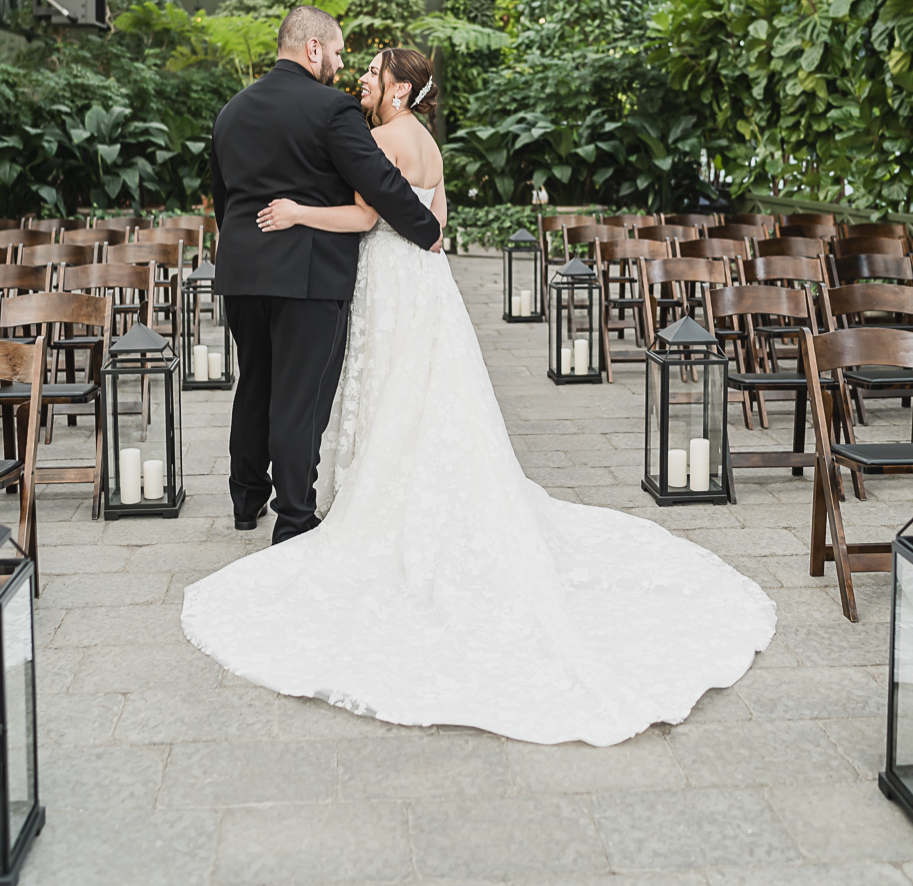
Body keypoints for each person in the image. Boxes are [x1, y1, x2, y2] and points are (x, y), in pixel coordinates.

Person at [184, 46, 776, 746]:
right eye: (354, 64)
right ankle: (336, 498)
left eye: (372, 72)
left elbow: (367, 213)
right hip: (416, 288)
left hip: (339, 273)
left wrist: (301, 212)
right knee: (407, 390)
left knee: (314, 388)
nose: (358, 78)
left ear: (400, 89)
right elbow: (417, 207)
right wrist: (427, 228)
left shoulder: (321, 125)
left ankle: (276, 499)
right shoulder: (417, 137)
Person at [209, 7, 440, 545]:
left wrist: (246, 248)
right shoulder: (332, 109)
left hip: (244, 271)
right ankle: (293, 517)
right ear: (313, 49)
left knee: (255, 384)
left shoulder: (231, 111)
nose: (340, 64)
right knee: (299, 397)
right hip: (308, 275)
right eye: (336, 53)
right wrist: (426, 229)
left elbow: (225, 201)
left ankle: (246, 500)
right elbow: (379, 182)